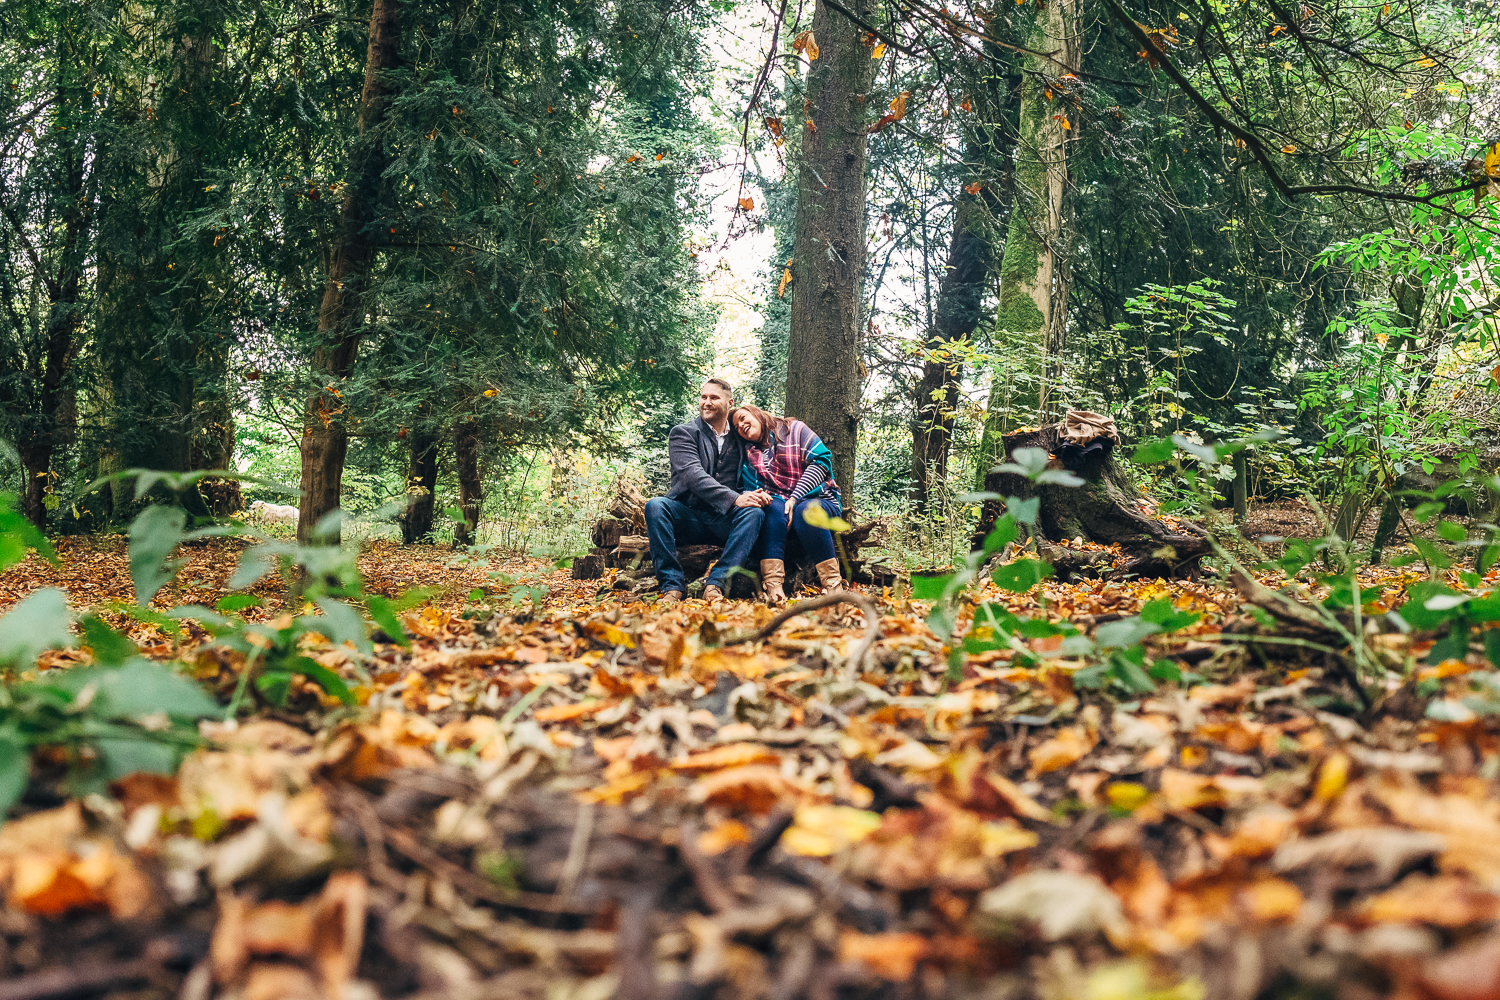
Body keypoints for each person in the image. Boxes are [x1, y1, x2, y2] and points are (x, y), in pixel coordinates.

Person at [643, 378, 771, 605]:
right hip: (688, 516)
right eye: (704, 397)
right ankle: (672, 587)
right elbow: (693, 475)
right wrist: (735, 498)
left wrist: (760, 495)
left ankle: (716, 584)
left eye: (714, 398)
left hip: (724, 521)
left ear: (730, 403)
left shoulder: (740, 436)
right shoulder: (683, 433)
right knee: (655, 505)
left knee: (754, 513)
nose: (707, 402)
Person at [729, 403, 845, 604]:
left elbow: (821, 462)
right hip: (780, 512)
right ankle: (774, 587)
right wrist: (765, 498)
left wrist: (794, 497)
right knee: (772, 506)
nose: (741, 426)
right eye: (737, 428)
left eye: (742, 418)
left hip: (819, 499)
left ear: (756, 413)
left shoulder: (795, 429)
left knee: (806, 510)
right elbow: (751, 489)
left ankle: (834, 587)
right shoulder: (750, 455)